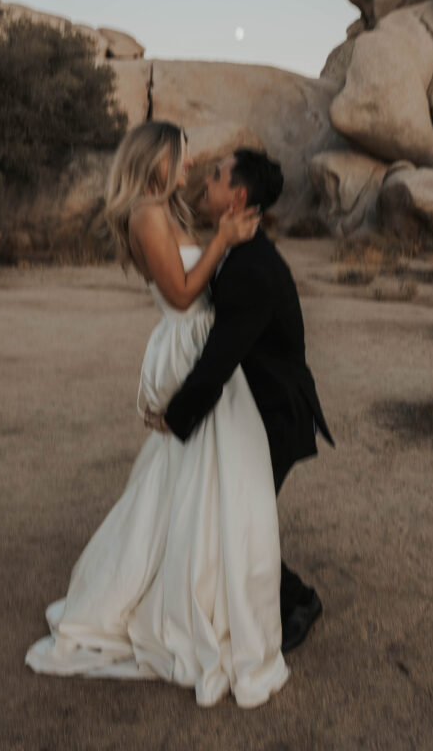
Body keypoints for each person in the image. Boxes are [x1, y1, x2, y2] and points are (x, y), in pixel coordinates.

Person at [26, 121, 289, 708]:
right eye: (185, 156)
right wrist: (222, 239)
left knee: (198, 478)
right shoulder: (148, 213)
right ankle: (175, 595)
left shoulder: (163, 209)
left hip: (200, 342)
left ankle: (205, 577)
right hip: (187, 343)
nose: (192, 166)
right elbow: (180, 291)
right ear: (157, 160)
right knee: (196, 472)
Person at [146, 148, 334, 653]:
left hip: (275, 415)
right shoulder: (238, 248)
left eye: (216, 177)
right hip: (254, 410)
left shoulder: (252, 265)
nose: (205, 183)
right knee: (235, 517)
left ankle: (298, 601)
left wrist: (178, 413)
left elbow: (221, 355)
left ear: (239, 196)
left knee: (241, 522)